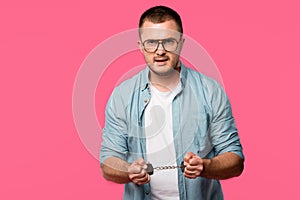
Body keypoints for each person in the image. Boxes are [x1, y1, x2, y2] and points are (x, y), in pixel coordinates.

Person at [100, 5, 244, 200]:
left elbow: (235, 160)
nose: (160, 51)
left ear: (181, 43)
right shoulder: (122, 96)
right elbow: (108, 163)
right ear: (141, 46)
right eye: (151, 42)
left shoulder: (211, 92)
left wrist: (206, 166)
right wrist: (128, 170)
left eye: (168, 41)